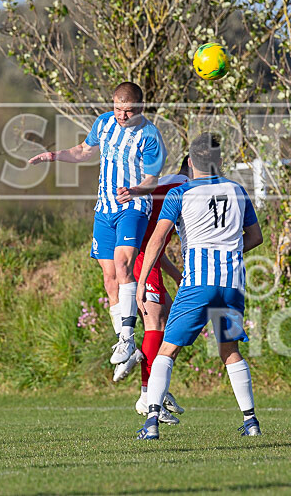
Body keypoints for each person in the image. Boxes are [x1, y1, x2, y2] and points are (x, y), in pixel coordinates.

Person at [28, 82, 165, 376]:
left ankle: (127, 339)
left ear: (139, 108)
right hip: (103, 210)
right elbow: (82, 151)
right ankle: (125, 344)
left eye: (127, 111)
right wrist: (52, 156)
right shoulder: (103, 123)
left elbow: (153, 179)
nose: (121, 116)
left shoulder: (150, 135)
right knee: (109, 278)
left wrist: (136, 191)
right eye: (117, 108)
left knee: (123, 263)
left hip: (133, 207)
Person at [135, 133, 264, 440]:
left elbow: (155, 241)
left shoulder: (180, 193)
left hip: (198, 284)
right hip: (231, 284)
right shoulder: (237, 190)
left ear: (190, 162)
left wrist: (142, 282)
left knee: (168, 349)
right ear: (220, 161)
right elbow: (256, 236)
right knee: (230, 350)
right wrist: (230, 253)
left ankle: (151, 421)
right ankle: (251, 421)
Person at [115, 156, 192, 425]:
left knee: (173, 320)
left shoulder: (171, 182)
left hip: (144, 255)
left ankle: (148, 366)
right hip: (140, 257)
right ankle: (148, 396)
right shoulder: (186, 189)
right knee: (156, 325)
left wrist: (178, 276)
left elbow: (156, 244)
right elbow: (154, 243)